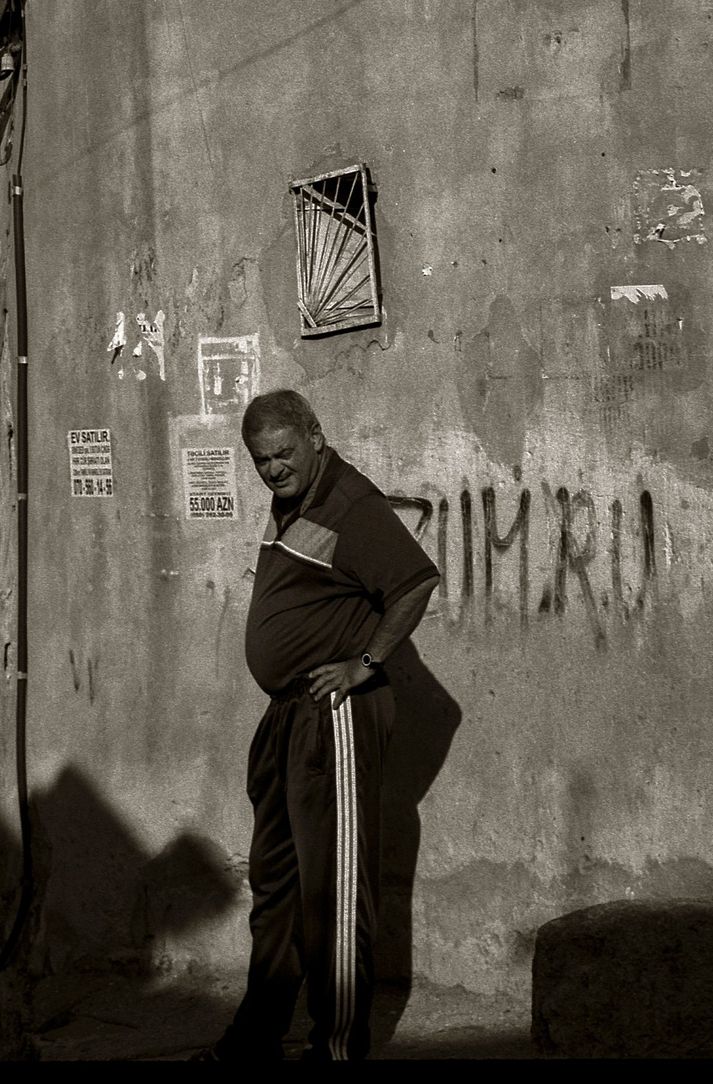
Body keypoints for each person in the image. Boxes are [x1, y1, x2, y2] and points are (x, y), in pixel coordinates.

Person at [208, 389, 438, 1063]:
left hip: (332, 717)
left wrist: (364, 664)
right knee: (276, 886)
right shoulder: (292, 502)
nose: (273, 469)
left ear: (315, 436)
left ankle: (336, 1046)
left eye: (283, 454)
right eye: (261, 460)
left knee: (333, 891)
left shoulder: (350, 504)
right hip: (287, 716)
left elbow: (414, 583)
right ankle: (256, 1039)